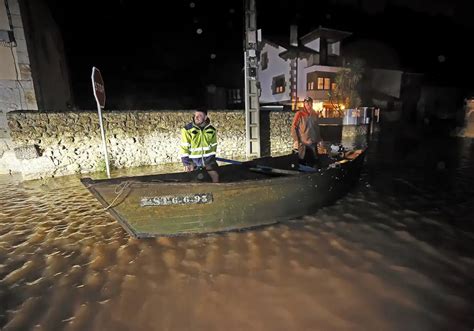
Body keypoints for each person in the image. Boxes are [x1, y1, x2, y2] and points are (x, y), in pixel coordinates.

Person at [180, 109, 219, 183]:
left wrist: (210, 161)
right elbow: (184, 147)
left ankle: (216, 190)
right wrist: (187, 163)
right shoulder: (187, 130)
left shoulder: (212, 130)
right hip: (194, 161)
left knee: (215, 175)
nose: (196, 117)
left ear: (205, 117)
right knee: (196, 179)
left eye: (199, 115)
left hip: (208, 160)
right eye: (195, 115)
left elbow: (213, 147)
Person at [291, 96, 324, 168]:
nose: (308, 104)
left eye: (309, 103)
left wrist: (319, 140)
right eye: (306, 103)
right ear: (304, 104)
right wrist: (296, 140)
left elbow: (317, 128)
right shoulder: (299, 114)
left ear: (312, 104)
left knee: (314, 162)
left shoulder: (315, 114)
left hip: (313, 143)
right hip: (303, 144)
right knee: (302, 162)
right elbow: (294, 127)